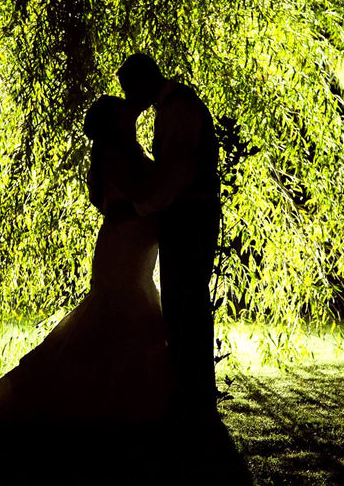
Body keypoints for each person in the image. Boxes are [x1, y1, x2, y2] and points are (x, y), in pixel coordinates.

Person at [0, 96, 172, 424]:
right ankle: (108, 397)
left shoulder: (124, 151)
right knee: (121, 306)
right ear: (114, 123)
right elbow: (142, 195)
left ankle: (126, 395)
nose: (129, 112)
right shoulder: (115, 153)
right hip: (124, 245)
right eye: (122, 111)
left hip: (134, 243)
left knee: (131, 305)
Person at [116, 53, 221, 419]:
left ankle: (192, 390)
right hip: (191, 215)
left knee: (185, 302)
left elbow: (177, 174)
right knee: (184, 302)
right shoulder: (177, 105)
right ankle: (193, 387)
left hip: (190, 217)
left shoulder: (176, 110)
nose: (130, 99)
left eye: (130, 89)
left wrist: (139, 208)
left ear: (145, 80)